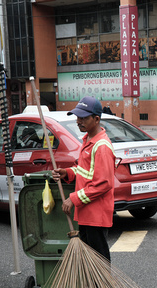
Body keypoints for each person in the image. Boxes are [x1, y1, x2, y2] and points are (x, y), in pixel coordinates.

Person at [52, 96, 115, 262]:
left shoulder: (101, 147)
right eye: (77, 117)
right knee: (90, 260)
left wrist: (73, 199)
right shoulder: (88, 141)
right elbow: (84, 170)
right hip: (87, 212)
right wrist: (67, 173)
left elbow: (103, 184)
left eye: (84, 118)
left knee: (99, 260)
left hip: (96, 213)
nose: (79, 121)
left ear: (96, 119)